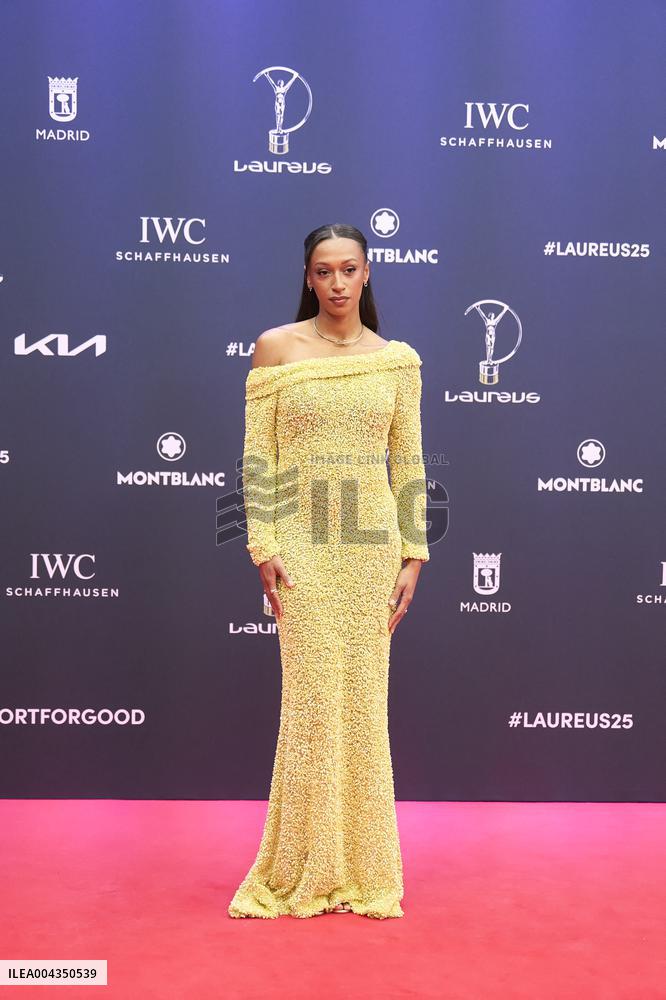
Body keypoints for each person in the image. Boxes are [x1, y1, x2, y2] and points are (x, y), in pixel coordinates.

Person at [228, 223, 430, 920]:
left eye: (349, 269)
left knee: (363, 710)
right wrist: (263, 544)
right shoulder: (276, 349)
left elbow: (407, 463)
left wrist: (414, 553)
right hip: (304, 550)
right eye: (324, 271)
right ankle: (301, 866)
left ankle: (363, 867)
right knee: (313, 706)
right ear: (309, 278)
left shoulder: (396, 361)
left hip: (371, 547)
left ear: (367, 275)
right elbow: (260, 460)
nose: (338, 282)